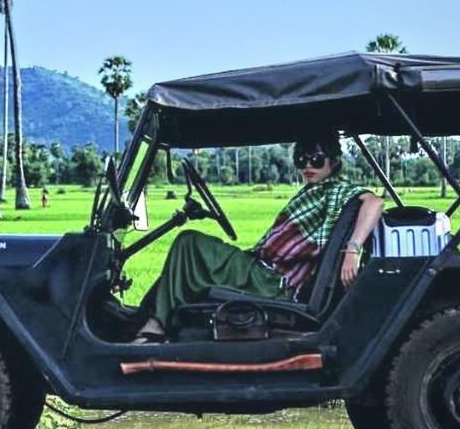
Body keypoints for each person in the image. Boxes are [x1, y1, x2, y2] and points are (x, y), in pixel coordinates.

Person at [133, 132, 384, 343]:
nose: (308, 166)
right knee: (185, 261)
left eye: (317, 160)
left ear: (333, 162)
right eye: (302, 159)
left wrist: (352, 249)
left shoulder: (337, 189)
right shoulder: (314, 191)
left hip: (270, 281)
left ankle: (153, 328)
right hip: (257, 268)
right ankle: (146, 321)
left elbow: (374, 201)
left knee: (188, 242)